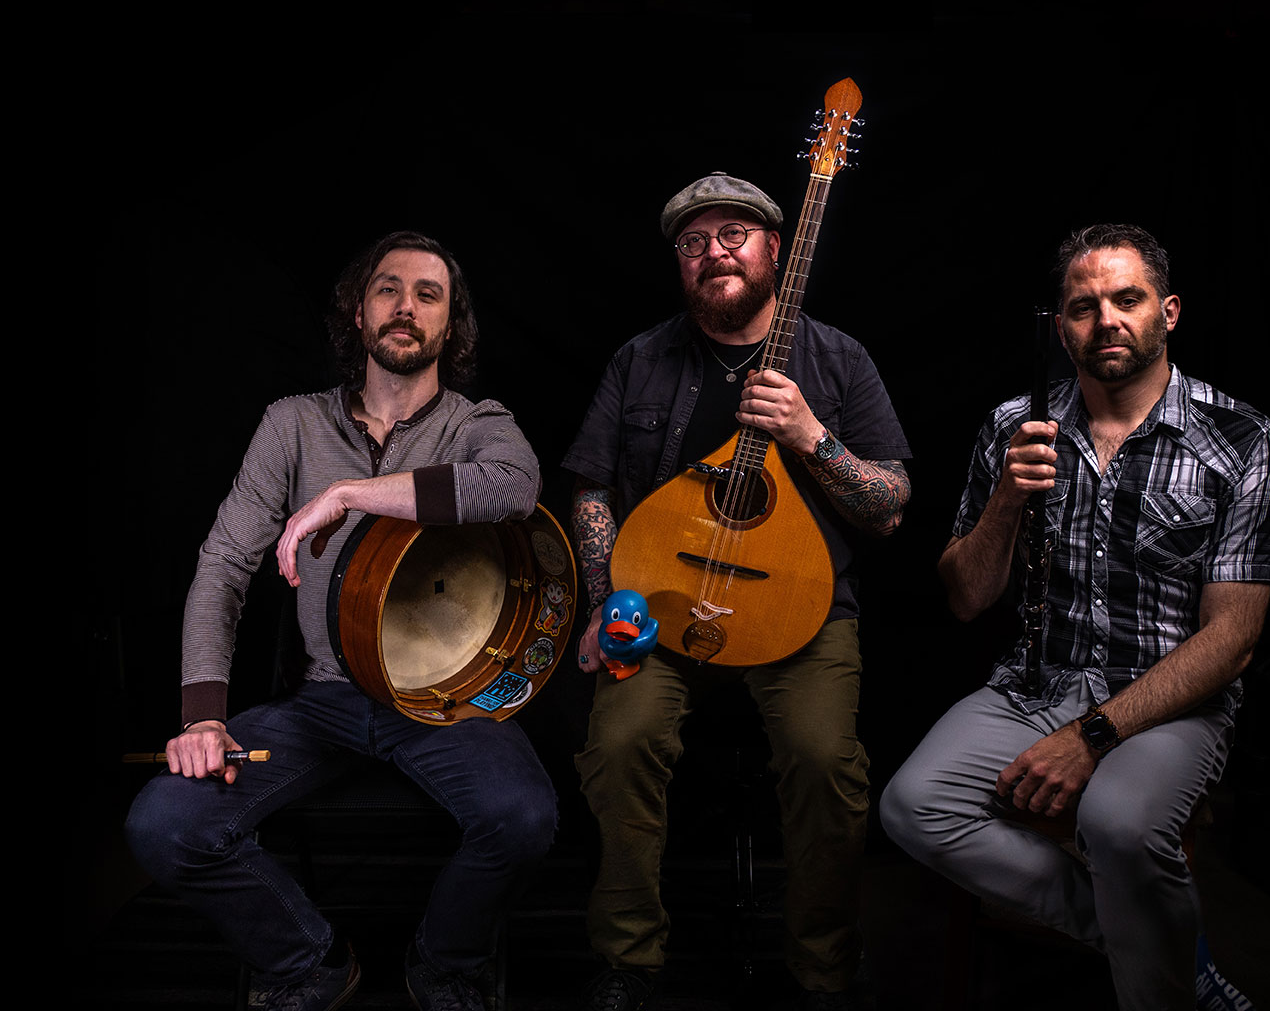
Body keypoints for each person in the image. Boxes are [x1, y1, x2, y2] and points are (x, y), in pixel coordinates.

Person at [125, 231, 557, 1011]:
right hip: (320, 702)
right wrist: (203, 717)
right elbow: (223, 566)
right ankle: (310, 962)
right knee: (165, 823)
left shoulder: (476, 423)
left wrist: (351, 493)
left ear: (451, 325)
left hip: (439, 703)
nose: (406, 306)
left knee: (523, 819)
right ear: (358, 314)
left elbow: (512, 486)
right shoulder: (292, 424)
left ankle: (446, 961)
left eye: (428, 294)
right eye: (387, 289)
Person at [879, 223, 1270, 1011]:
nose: (1106, 321)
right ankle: (1163, 945)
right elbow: (965, 598)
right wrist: (1007, 498)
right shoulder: (1014, 425)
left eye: (1127, 300)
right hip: (1034, 683)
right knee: (912, 805)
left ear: (1168, 311)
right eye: (1082, 307)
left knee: (1119, 824)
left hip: (1169, 698)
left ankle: (1157, 966)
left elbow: (1234, 640)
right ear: (1060, 327)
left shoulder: (1241, 438)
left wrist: (1090, 736)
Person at [564, 173, 913, 1011]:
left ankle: (824, 969)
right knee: (617, 745)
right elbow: (591, 488)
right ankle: (629, 960)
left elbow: (891, 507)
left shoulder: (838, 359)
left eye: (733, 235)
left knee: (827, 762)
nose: (713, 253)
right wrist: (607, 600)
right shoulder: (640, 359)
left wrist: (810, 434)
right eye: (693, 242)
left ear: (775, 250)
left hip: (803, 610)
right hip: (658, 599)